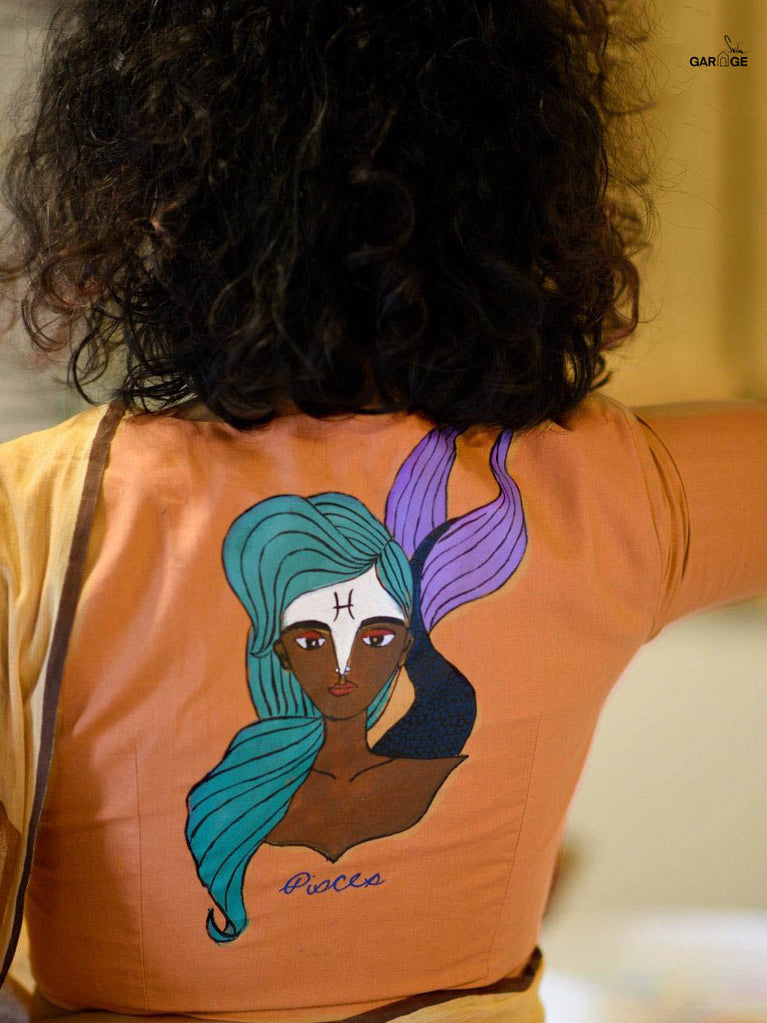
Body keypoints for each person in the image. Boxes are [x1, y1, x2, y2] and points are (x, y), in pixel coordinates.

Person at [0, 1, 764, 1021]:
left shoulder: (33, 523)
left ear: (158, 199)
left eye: (375, 633)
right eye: (311, 635)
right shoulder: (613, 486)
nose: (345, 662)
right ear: (524, 189)